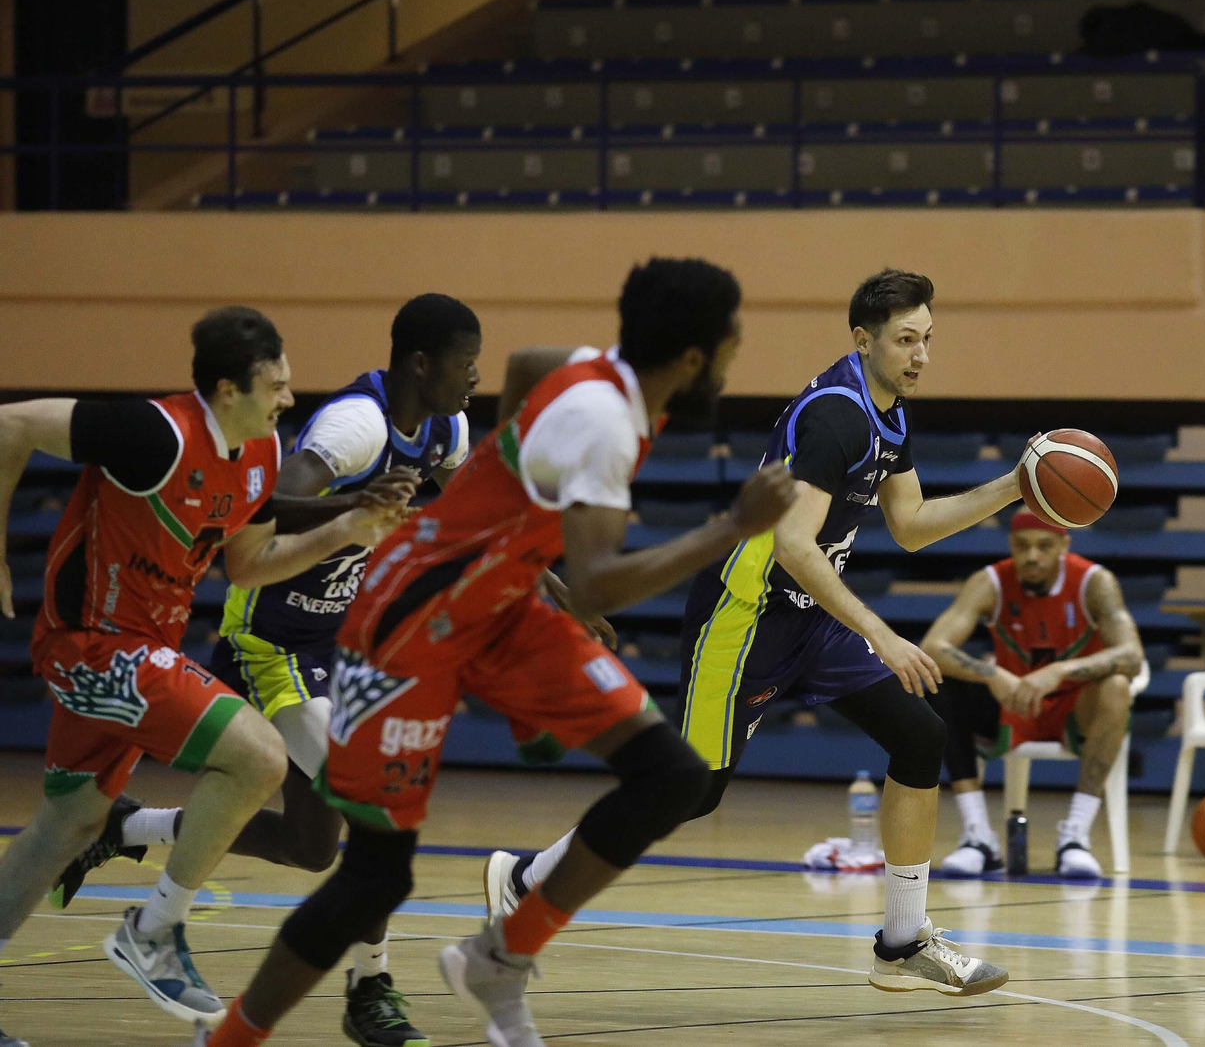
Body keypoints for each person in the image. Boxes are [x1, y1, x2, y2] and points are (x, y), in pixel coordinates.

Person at [199, 258, 798, 1047]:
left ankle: (500, 958)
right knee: (376, 872)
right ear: (691, 359)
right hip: (411, 623)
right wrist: (732, 526)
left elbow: (521, 369)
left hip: (502, 599)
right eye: (731, 344)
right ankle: (230, 1039)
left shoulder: (590, 369)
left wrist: (490, 473)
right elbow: (598, 585)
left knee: (672, 775)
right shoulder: (606, 425)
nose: (734, 357)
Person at [494, 269, 1024, 998]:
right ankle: (526, 877)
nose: (921, 354)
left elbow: (910, 525)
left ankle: (902, 944)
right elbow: (793, 545)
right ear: (862, 339)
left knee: (920, 736)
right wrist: (884, 634)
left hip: (812, 619)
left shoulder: (891, 412)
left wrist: (1014, 487)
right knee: (693, 791)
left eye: (928, 339)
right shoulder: (837, 414)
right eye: (906, 340)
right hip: (744, 614)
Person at [51, 293, 483, 1047]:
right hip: (273, 641)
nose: (477, 376)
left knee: (315, 847)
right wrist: (360, 507)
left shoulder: (448, 429)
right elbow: (272, 502)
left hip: (338, 644)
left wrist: (559, 594)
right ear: (423, 363)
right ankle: (370, 988)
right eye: (466, 361)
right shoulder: (358, 426)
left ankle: (130, 826)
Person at [922, 508, 1144, 878]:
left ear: (1063, 545)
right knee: (936, 680)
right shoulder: (990, 582)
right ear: (1010, 544)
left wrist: (1059, 672)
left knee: (1117, 687)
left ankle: (1075, 835)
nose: (1032, 556)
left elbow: (1132, 655)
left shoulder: (1094, 581)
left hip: (1075, 707)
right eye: (1022, 546)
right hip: (1012, 704)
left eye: (1044, 546)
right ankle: (978, 836)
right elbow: (932, 647)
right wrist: (992, 674)